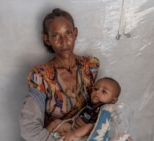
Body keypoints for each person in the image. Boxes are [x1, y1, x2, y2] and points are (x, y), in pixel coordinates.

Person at [19, 8, 100, 141]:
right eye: (56, 36)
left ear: (75, 33)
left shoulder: (91, 66)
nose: (64, 42)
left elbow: (101, 103)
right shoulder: (40, 75)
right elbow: (29, 129)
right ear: (47, 39)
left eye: (68, 33)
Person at [46, 77, 121, 141]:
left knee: (91, 126)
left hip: (85, 135)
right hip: (73, 127)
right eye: (95, 89)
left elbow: (94, 127)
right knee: (56, 122)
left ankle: (70, 136)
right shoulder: (90, 104)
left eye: (104, 91)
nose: (97, 92)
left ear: (113, 100)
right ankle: (41, 137)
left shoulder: (106, 109)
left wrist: (74, 134)